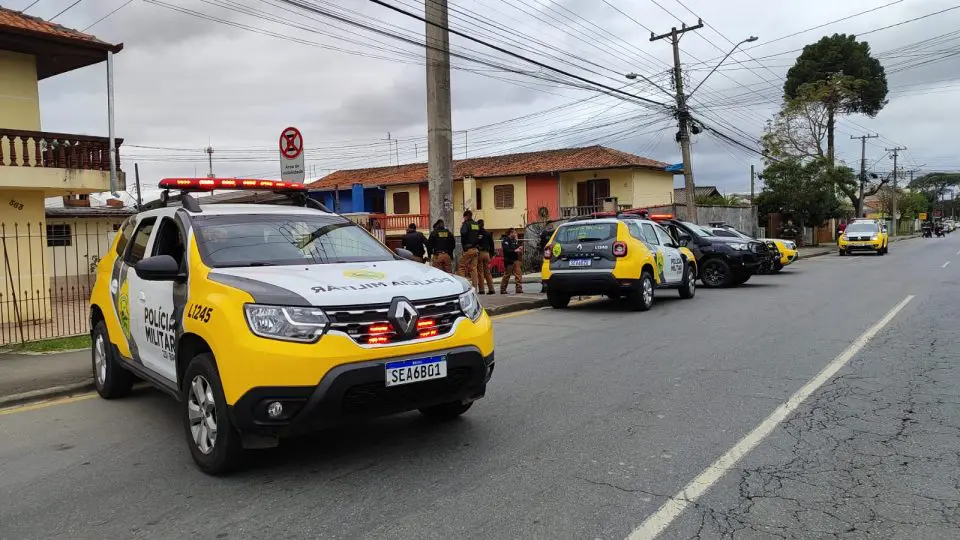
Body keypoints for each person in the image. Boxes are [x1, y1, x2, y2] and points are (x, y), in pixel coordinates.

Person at [458, 210, 480, 287]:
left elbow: (463, 233)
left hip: (468, 249)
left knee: (461, 267)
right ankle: (474, 287)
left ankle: (462, 286)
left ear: (466, 216)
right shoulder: (476, 224)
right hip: (476, 249)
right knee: (473, 268)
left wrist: (463, 225)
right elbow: (479, 235)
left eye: (464, 217)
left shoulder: (466, 224)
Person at [500, 228, 523, 294]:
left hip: (516, 260)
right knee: (507, 275)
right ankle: (503, 289)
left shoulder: (515, 240)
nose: (515, 234)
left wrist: (519, 248)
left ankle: (519, 289)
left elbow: (517, 247)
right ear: (511, 233)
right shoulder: (505, 240)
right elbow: (506, 250)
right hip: (509, 260)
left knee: (518, 275)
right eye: (514, 233)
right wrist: (515, 250)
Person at [475, 219, 495, 294]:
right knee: (488, 272)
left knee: (480, 272)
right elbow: (492, 244)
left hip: (480, 253)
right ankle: (491, 289)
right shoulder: (488, 233)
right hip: (487, 253)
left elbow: (476, 242)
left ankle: (481, 290)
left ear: (478, 225)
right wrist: (491, 254)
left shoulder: (477, 233)